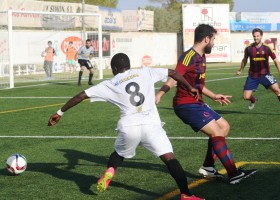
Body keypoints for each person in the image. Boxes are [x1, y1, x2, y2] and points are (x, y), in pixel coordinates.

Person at [48, 53, 205, 200]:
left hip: (129, 126)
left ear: (115, 69)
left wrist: (60, 112)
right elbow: (174, 73)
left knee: (119, 153)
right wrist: (189, 87)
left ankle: (111, 170)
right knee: (170, 158)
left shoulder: (110, 83)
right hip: (151, 125)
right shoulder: (146, 72)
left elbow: (80, 96)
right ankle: (186, 194)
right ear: (129, 66)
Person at [155, 24, 257, 184]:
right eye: (213, 39)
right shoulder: (188, 57)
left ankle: (208, 167)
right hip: (185, 104)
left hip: (197, 102)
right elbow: (174, 77)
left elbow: (199, 85)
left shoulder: (202, 57)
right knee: (216, 132)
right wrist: (160, 93)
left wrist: (214, 95)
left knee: (224, 127)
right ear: (206, 39)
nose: (214, 43)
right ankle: (233, 173)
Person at [236, 28, 280, 116]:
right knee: (246, 97)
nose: (256, 38)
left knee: (277, 90)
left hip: (265, 74)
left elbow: (276, 61)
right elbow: (244, 60)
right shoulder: (249, 48)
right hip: (253, 75)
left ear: (261, 36)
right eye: (254, 36)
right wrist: (240, 70)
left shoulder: (267, 48)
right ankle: (253, 100)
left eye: (257, 36)